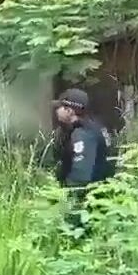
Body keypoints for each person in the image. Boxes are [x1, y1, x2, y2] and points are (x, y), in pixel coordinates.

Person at [53, 88, 116, 231]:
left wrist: (71, 203)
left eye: (60, 107)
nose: (56, 111)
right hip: (103, 195)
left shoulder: (83, 134)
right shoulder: (96, 127)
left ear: (69, 111)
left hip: (87, 203)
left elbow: (81, 175)